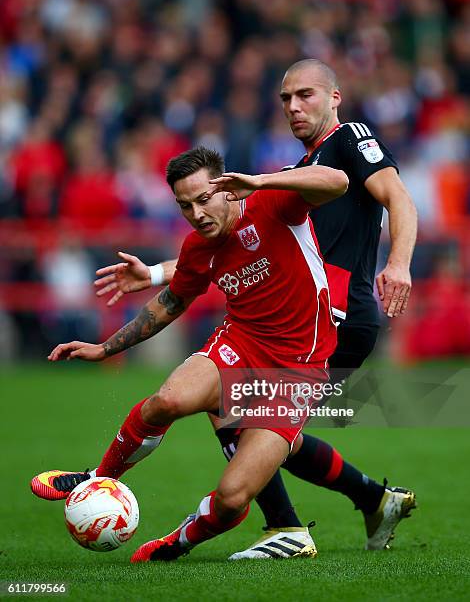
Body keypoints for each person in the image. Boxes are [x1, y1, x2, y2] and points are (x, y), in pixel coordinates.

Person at [93, 59, 418, 557]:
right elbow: (240, 236)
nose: (293, 106)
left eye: (305, 95)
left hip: (329, 317)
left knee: (244, 415)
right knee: (263, 427)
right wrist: (158, 274)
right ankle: (373, 500)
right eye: (286, 98)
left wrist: (398, 263)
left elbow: (398, 196)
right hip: (311, 313)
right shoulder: (297, 169)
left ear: (336, 97)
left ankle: (287, 526)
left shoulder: (349, 138)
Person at [31, 146, 349, 562]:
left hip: (297, 369)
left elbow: (338, 181)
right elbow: (171, 303)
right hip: (240, 343)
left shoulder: (272, 203)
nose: (197, 214)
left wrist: (259, 181)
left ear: (226, 189)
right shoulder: (199, 248)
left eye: (203, 199)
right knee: (168, 400)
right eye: (185, 205)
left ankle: (179, 542)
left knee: (234, 498)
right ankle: (98, 478)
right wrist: (105, 348)